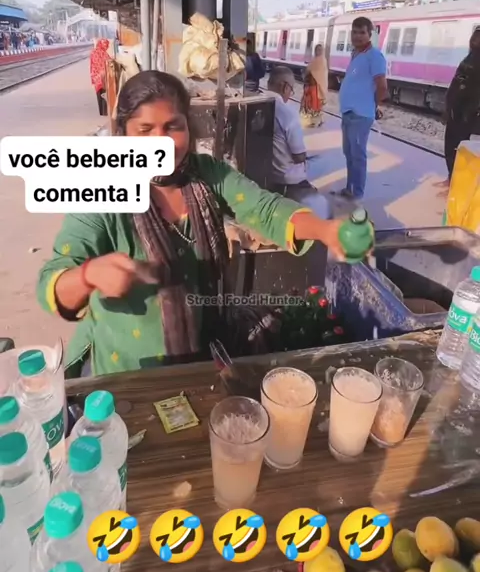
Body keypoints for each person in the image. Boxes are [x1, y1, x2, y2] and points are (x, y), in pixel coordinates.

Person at [37, 70, 346, 377]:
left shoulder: (207, 173)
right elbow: (52, 281)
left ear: (189, 126)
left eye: (173, 126)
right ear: (124, 135)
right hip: (129, 376)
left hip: (206, 358)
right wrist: (88, 275)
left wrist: (326, 230)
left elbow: (263, 208)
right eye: (145, 130)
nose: (161, 143)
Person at [267, 66, 329, 218]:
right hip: (285, 178)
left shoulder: (256, 102)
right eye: (291, 89)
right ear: (284, 87)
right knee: (323, 161)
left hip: (266, 173)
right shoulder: (288, 113)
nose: (290, 94)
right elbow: (298, 156)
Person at [339, 16, 388, 200]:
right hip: (348, 113)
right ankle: (350, 188)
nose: (357, 36)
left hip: (360, 115)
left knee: (358, 156)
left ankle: (357, 194)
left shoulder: (374, 56)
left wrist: (372, 105)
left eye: (362, 32)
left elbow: (382, 86)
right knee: (349, 153)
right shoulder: (356, 54)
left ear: (370, 34)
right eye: (354, 32)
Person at [438, 27, 480, 191]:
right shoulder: (470, 57)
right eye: (475, 36)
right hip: (455, 110)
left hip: (467, 113)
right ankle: (451, 178)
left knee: (461, 149)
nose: (475, 40)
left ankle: (457, 185)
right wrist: (449, 106)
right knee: (450, 145)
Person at [300, 43, 328, 128]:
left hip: (315, 86)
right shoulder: (318, 60)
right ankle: (316, 120)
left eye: (320, 50)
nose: (318, 51)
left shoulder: (320, 60)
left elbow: (311, 71)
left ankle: (315, 121)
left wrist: (307, 74)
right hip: (314, 86)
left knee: (314, 104)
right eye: (316, 50)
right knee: (314, 104)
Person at [89, 38, 110, 116]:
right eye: (106, 45)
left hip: (96, 76)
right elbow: (108, 62)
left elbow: (91, 65)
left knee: (99, 94)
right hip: (103, 76)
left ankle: (101, 111)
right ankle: (105, 111)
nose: (107, 47)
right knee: (104, 94)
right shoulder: (104, 53)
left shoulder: (93, 52)